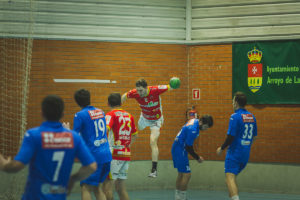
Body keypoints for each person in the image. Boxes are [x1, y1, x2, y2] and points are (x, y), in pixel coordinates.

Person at [0, 95, 97, 200]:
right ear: (62, 114)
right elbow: (91, 166)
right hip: (59, 195)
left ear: (42, 113)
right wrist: (72, 179)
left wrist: (4, 165)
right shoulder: (74, 138)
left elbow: (16, 166)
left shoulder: (33, 135)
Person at [121, 78, 178, 177]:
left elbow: (170, 87)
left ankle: (154, 170)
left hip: (156, 120)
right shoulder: (135, 93)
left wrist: (174, 84)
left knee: (152, 141)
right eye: (137, 90)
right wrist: (118, 108)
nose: (139, 93)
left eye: (141, 90)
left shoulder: (155, 90)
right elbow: (124, 96)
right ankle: (124, 148)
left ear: (146, 88)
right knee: (135, 132)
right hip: (144, 117)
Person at [72, 89, 112, 200]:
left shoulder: (80, 115)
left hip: (94, 157)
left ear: (77, 102)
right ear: (89, 98)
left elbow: (74, 136)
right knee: (96, 188)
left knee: (86, 188)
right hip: (106, 155)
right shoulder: (101, 111)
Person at [216, 91, 257, 200]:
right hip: (245, 154)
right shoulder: (252, 116)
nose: (232, 102)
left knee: (229, 178)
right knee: (231, 179)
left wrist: (221, 148)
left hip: (235, 153)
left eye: (233, 100)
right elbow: (254, 136)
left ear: (236, 103)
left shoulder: (235, 116)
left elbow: (230, 137)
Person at [103, 93, 138, 200]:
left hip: (114, 154)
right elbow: (135, 135)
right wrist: (126, 146)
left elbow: (105, 130)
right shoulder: (129, 115)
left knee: (107, 187)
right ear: (120, 103)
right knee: (120, 188)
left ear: (108, 103)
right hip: (126, 153)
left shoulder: (110, 115)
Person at [172, 111, 213, 200]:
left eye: (207, 128)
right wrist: (197, 157)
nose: (205, 129)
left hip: (176, 147)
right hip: (181, 149)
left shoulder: (194, 120)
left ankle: (177, 196)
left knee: (181, 174)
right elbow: (188, 147)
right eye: (205, 127)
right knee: (187, 175)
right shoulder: (193, 130)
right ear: (201, 122)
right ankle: (182, 197)